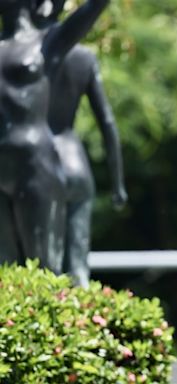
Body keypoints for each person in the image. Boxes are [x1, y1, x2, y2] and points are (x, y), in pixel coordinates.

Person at [0, 0, 110, 273]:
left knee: (45, 271)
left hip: (35, 163)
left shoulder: (47, 43)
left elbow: (92, 9)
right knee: (5, 274)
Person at [32, 0, 128, 287]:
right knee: (78, 268)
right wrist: (118, 182)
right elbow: (108, 123)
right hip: (76, 163)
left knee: (43, 270)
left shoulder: (23, 55)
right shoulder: (84, 57)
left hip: (39, 166)